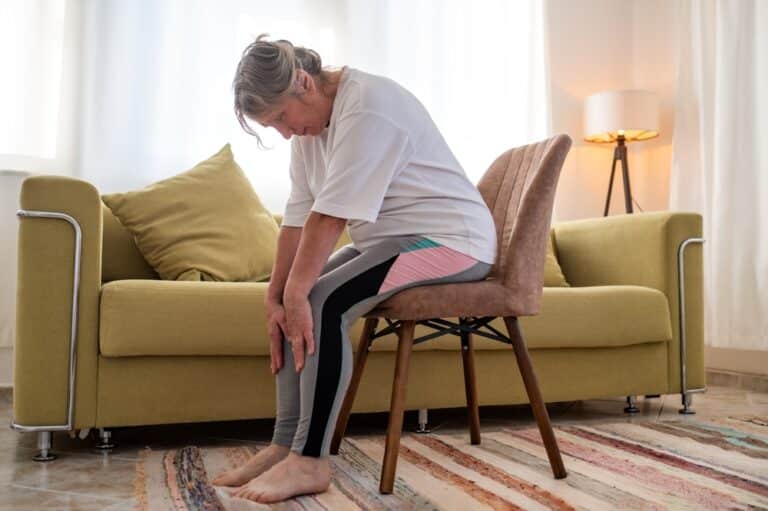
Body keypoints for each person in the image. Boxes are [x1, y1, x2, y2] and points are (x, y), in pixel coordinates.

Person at [213, 33, 498, 503]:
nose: (284, 132)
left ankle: (309, 461)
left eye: (282, 117)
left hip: (455, 240)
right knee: (292, 302)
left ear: (303, 82)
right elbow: (299, 217)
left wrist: (296, 292)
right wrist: (274, 295)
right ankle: (285, 444)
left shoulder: (367, 106)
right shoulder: (309, 129)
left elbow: (330, 219)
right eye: (273, 126)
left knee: (322, 301)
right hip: (394, 240)